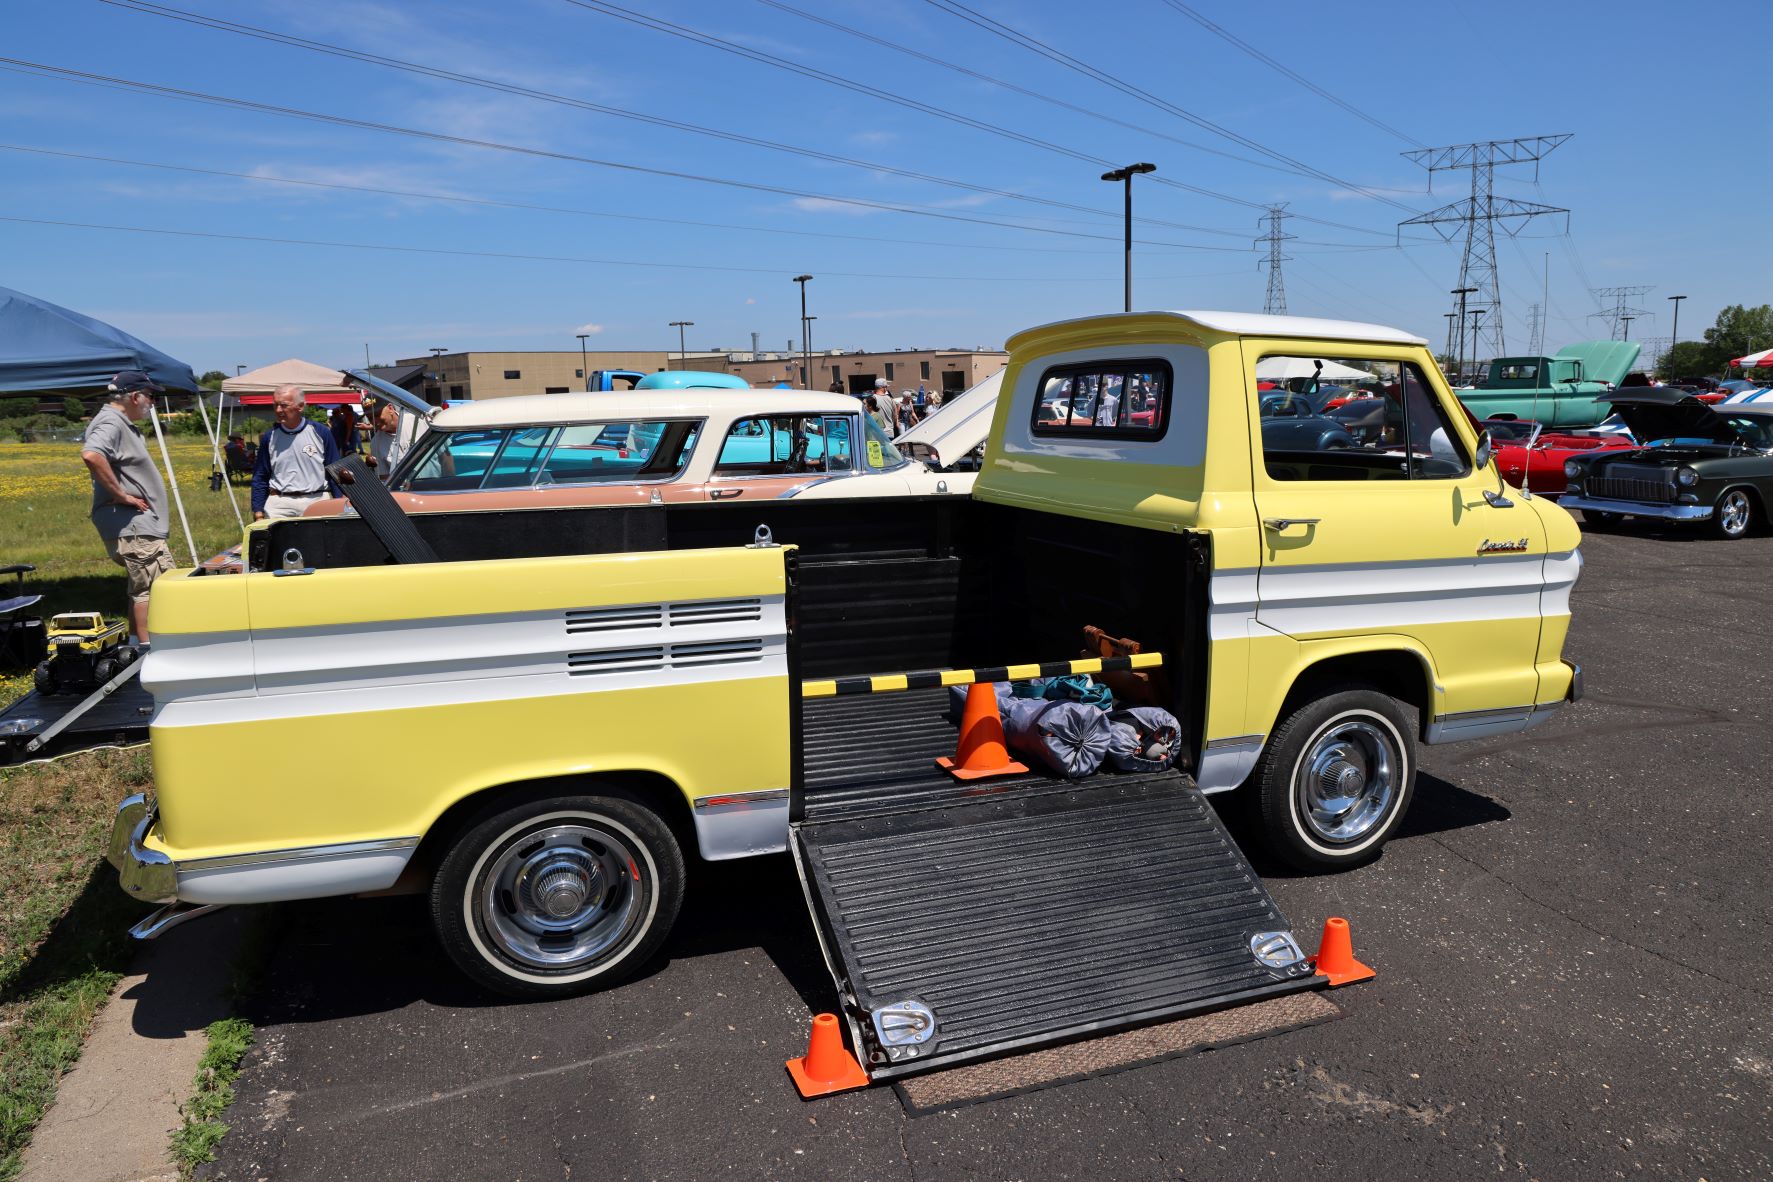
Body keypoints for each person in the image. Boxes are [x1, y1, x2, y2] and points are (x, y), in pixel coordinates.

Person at [79, 371, 175, 645]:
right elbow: (91, 454)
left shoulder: (118, 422)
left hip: (132, 525)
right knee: (154, 589)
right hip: (134, 526)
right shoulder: (112, 422)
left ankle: (134, 647)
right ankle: (150, 653)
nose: (153, 402)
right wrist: (121, 494)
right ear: (135, 397)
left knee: (140, 587)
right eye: (151, 396)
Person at [252, 384, 341, 519]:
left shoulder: (321, 432)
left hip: (317, 500)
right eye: (275, 405)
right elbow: (260, 475)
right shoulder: (269, 437)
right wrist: (258, 509)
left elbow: (335, 470)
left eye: (283, 405)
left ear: (300, 406)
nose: (278, 410)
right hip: (280, 504)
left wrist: (339, 501)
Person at [365, 400, 406, 481]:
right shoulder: (376, 444)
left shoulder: (419, 422)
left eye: (377, 415)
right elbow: (384, 478)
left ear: (390, 408)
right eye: (370, 418)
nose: (374, 421)